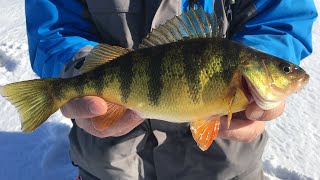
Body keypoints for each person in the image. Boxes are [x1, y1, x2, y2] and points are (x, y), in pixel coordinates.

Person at [25, 0, 317, 179]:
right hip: (110, 165)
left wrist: (270, 52)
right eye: (285, 69)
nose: (291, 73)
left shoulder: (242, 74)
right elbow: (53, 27)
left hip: (227, 168)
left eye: (284, 68)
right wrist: (76, 68)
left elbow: (283, 18)